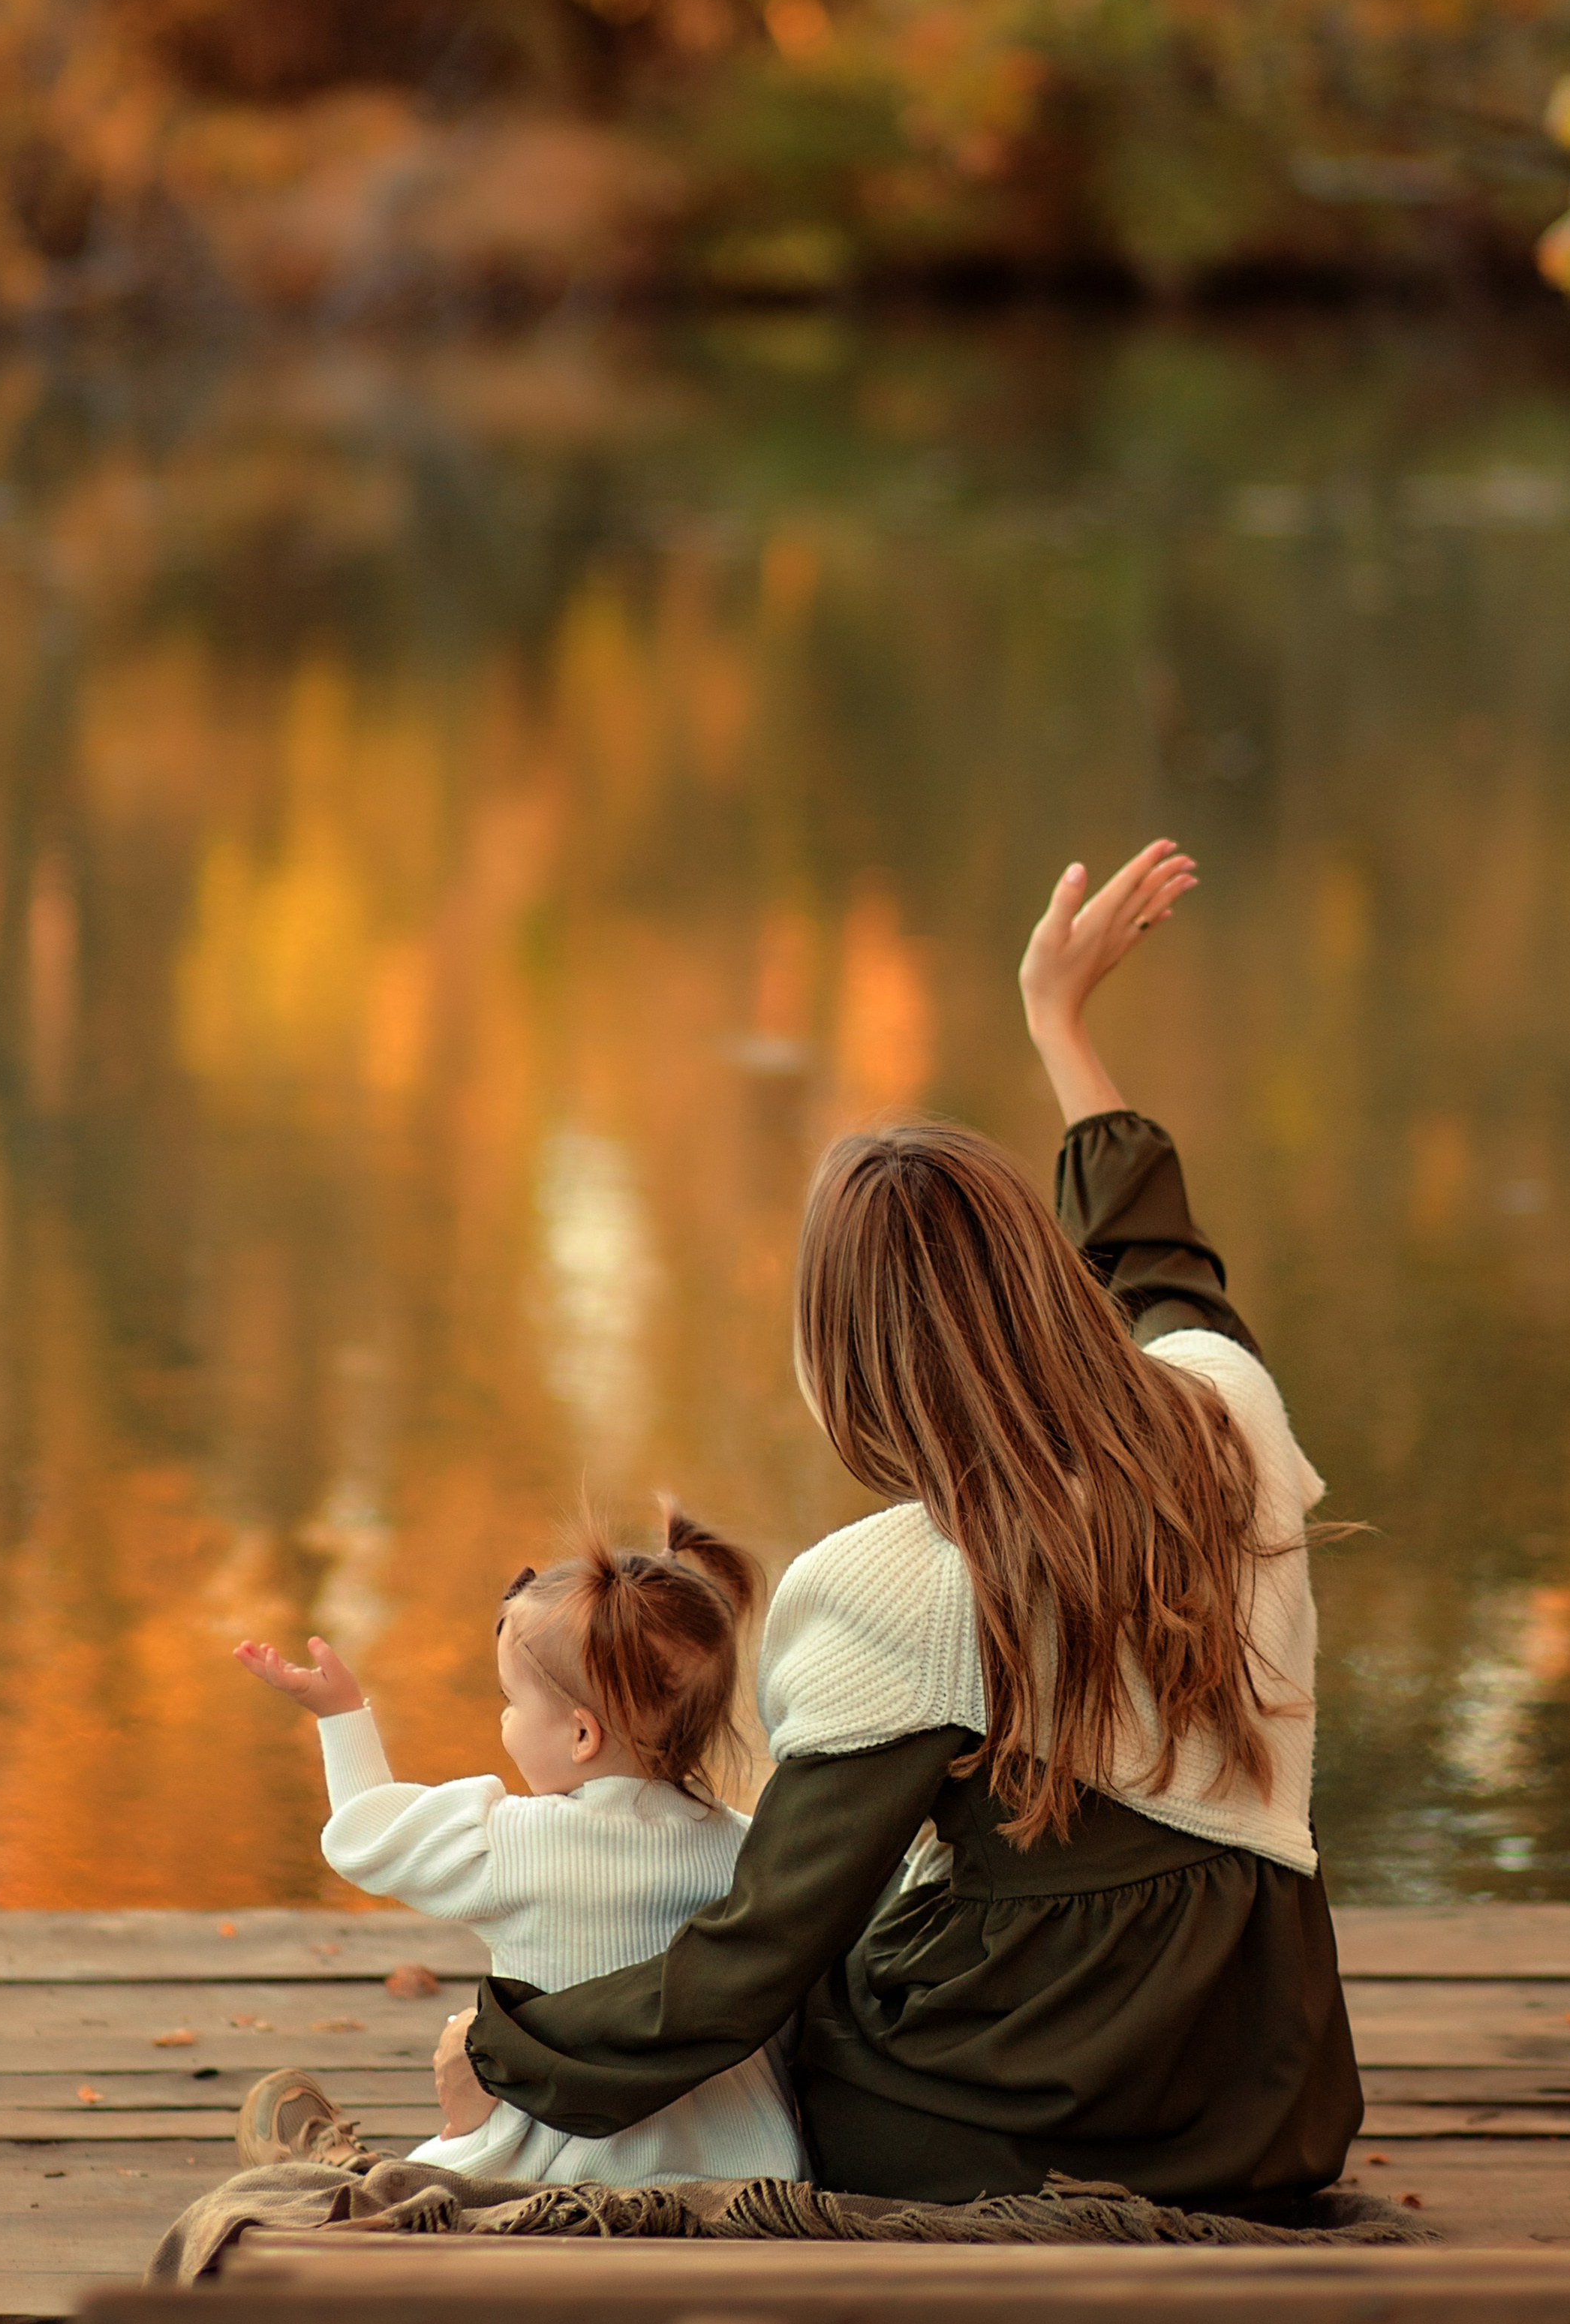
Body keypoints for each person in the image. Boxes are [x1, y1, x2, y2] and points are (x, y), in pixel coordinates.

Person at [435, 837, 1364, 2205]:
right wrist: (1059, 1023)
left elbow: (759, 1953)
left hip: (1032, 2115)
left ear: (851, 1365)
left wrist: (513, 2051)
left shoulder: (904, 1585)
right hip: (1271, 2104)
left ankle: (501, 2128)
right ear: (1048, 1286)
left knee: (783, 2039)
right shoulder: (1232, 1415)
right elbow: (1163, 1266)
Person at [232, 1505, 805, 2186]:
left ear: (581, 1735)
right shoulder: (751, 1849)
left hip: (561, 2165)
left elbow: (363, 1836)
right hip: (745, 2167)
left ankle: (344, 2176)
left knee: (423, 2170)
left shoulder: (516, 1840)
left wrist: (341, 1715)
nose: (503, 1718)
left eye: (509, 1700)